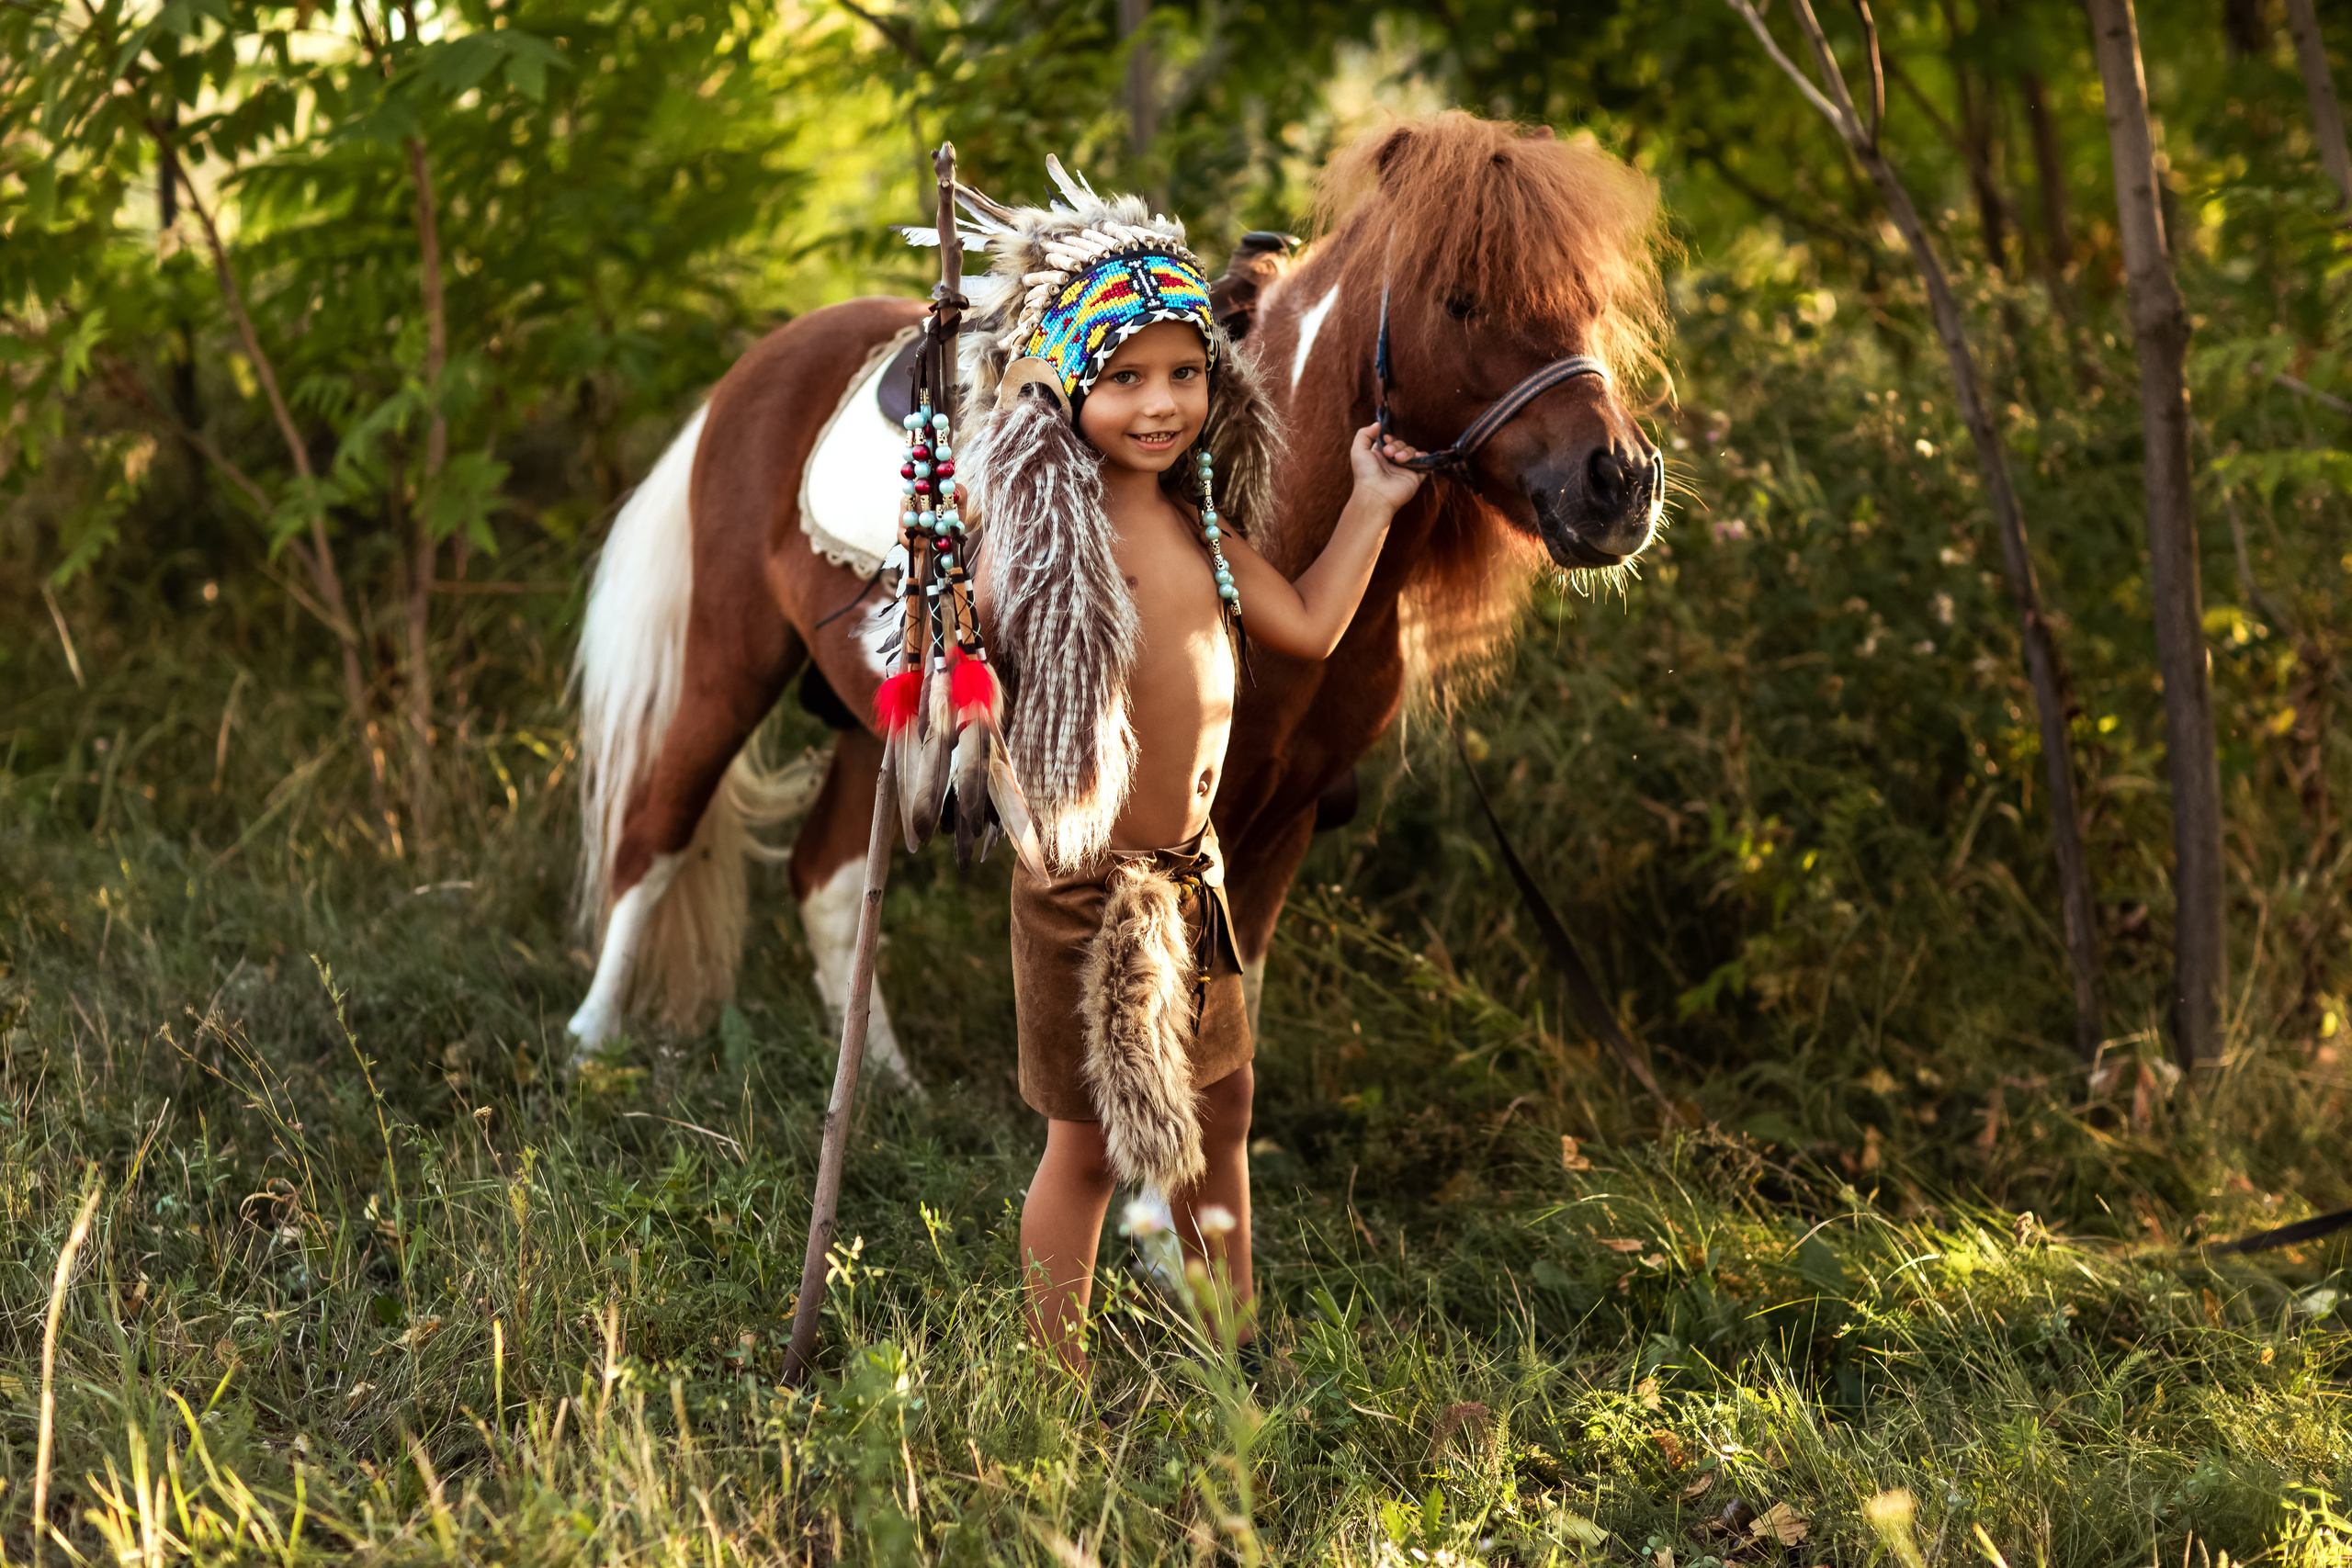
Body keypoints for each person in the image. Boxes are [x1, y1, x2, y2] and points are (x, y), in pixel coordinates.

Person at [948, 163, 1422, 1374]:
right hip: (1085, 893)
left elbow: (1307, 624)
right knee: (1087, 1150)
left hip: (1191, 882)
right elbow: (976, 653)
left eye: (1185, 373)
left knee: (1224, 1106)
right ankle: (1050, 1386)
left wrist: (1370, 501)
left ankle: (1229, 1343)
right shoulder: (1048, 541)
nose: (1161, 404)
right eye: (1125, 378)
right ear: (1071, 387)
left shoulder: (1199, 527)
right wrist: (956, 623)